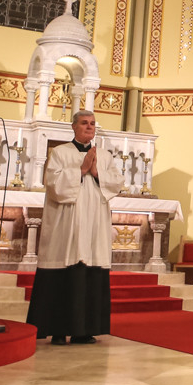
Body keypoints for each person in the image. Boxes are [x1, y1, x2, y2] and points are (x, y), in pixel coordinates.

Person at [29, 110, 122, 345]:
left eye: (92, 123)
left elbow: (117, 183)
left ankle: (84, 331)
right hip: (66, 223)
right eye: (84, 123)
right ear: (74, 127)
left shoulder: (104, 155)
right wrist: (81, 170)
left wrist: (96, 172)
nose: (89, 127)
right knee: (64, 270)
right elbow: (52, 184)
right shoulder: (60, 153)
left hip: (94, 223)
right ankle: (58, 330)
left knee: (90, 268)